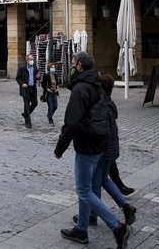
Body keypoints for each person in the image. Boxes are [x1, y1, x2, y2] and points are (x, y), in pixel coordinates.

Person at [54, 52, 131, 248]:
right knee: (87, 187)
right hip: (99, 143)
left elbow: (72, 122)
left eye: (72, 63)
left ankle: (116, 226)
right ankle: (82, 228)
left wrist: (60, 148)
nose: (71, 66)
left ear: (79, 66)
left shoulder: (81, 88)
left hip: (87, 144)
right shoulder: (97, 85)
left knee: (83, 189)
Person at [73, 74, 136, 228]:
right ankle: (126, 206)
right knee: (103, 179)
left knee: (94, 184)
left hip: (103, 150)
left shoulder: (102, 105)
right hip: (111, 148)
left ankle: (93, 216)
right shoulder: (109, 104)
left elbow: (102, 131)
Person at [16, 54, 41, 129]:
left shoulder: (35, 67)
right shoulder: (22, 68)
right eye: (30, 59)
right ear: (27, 60)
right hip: (25, 89)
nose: (32, 61)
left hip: (33, 88)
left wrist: (38, 77)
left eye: (33, 59)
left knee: (35, 103)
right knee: (26, 105)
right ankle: (27, 122)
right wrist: (22, 84)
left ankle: (26, 114)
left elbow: (36, 77)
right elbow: (18, 78)